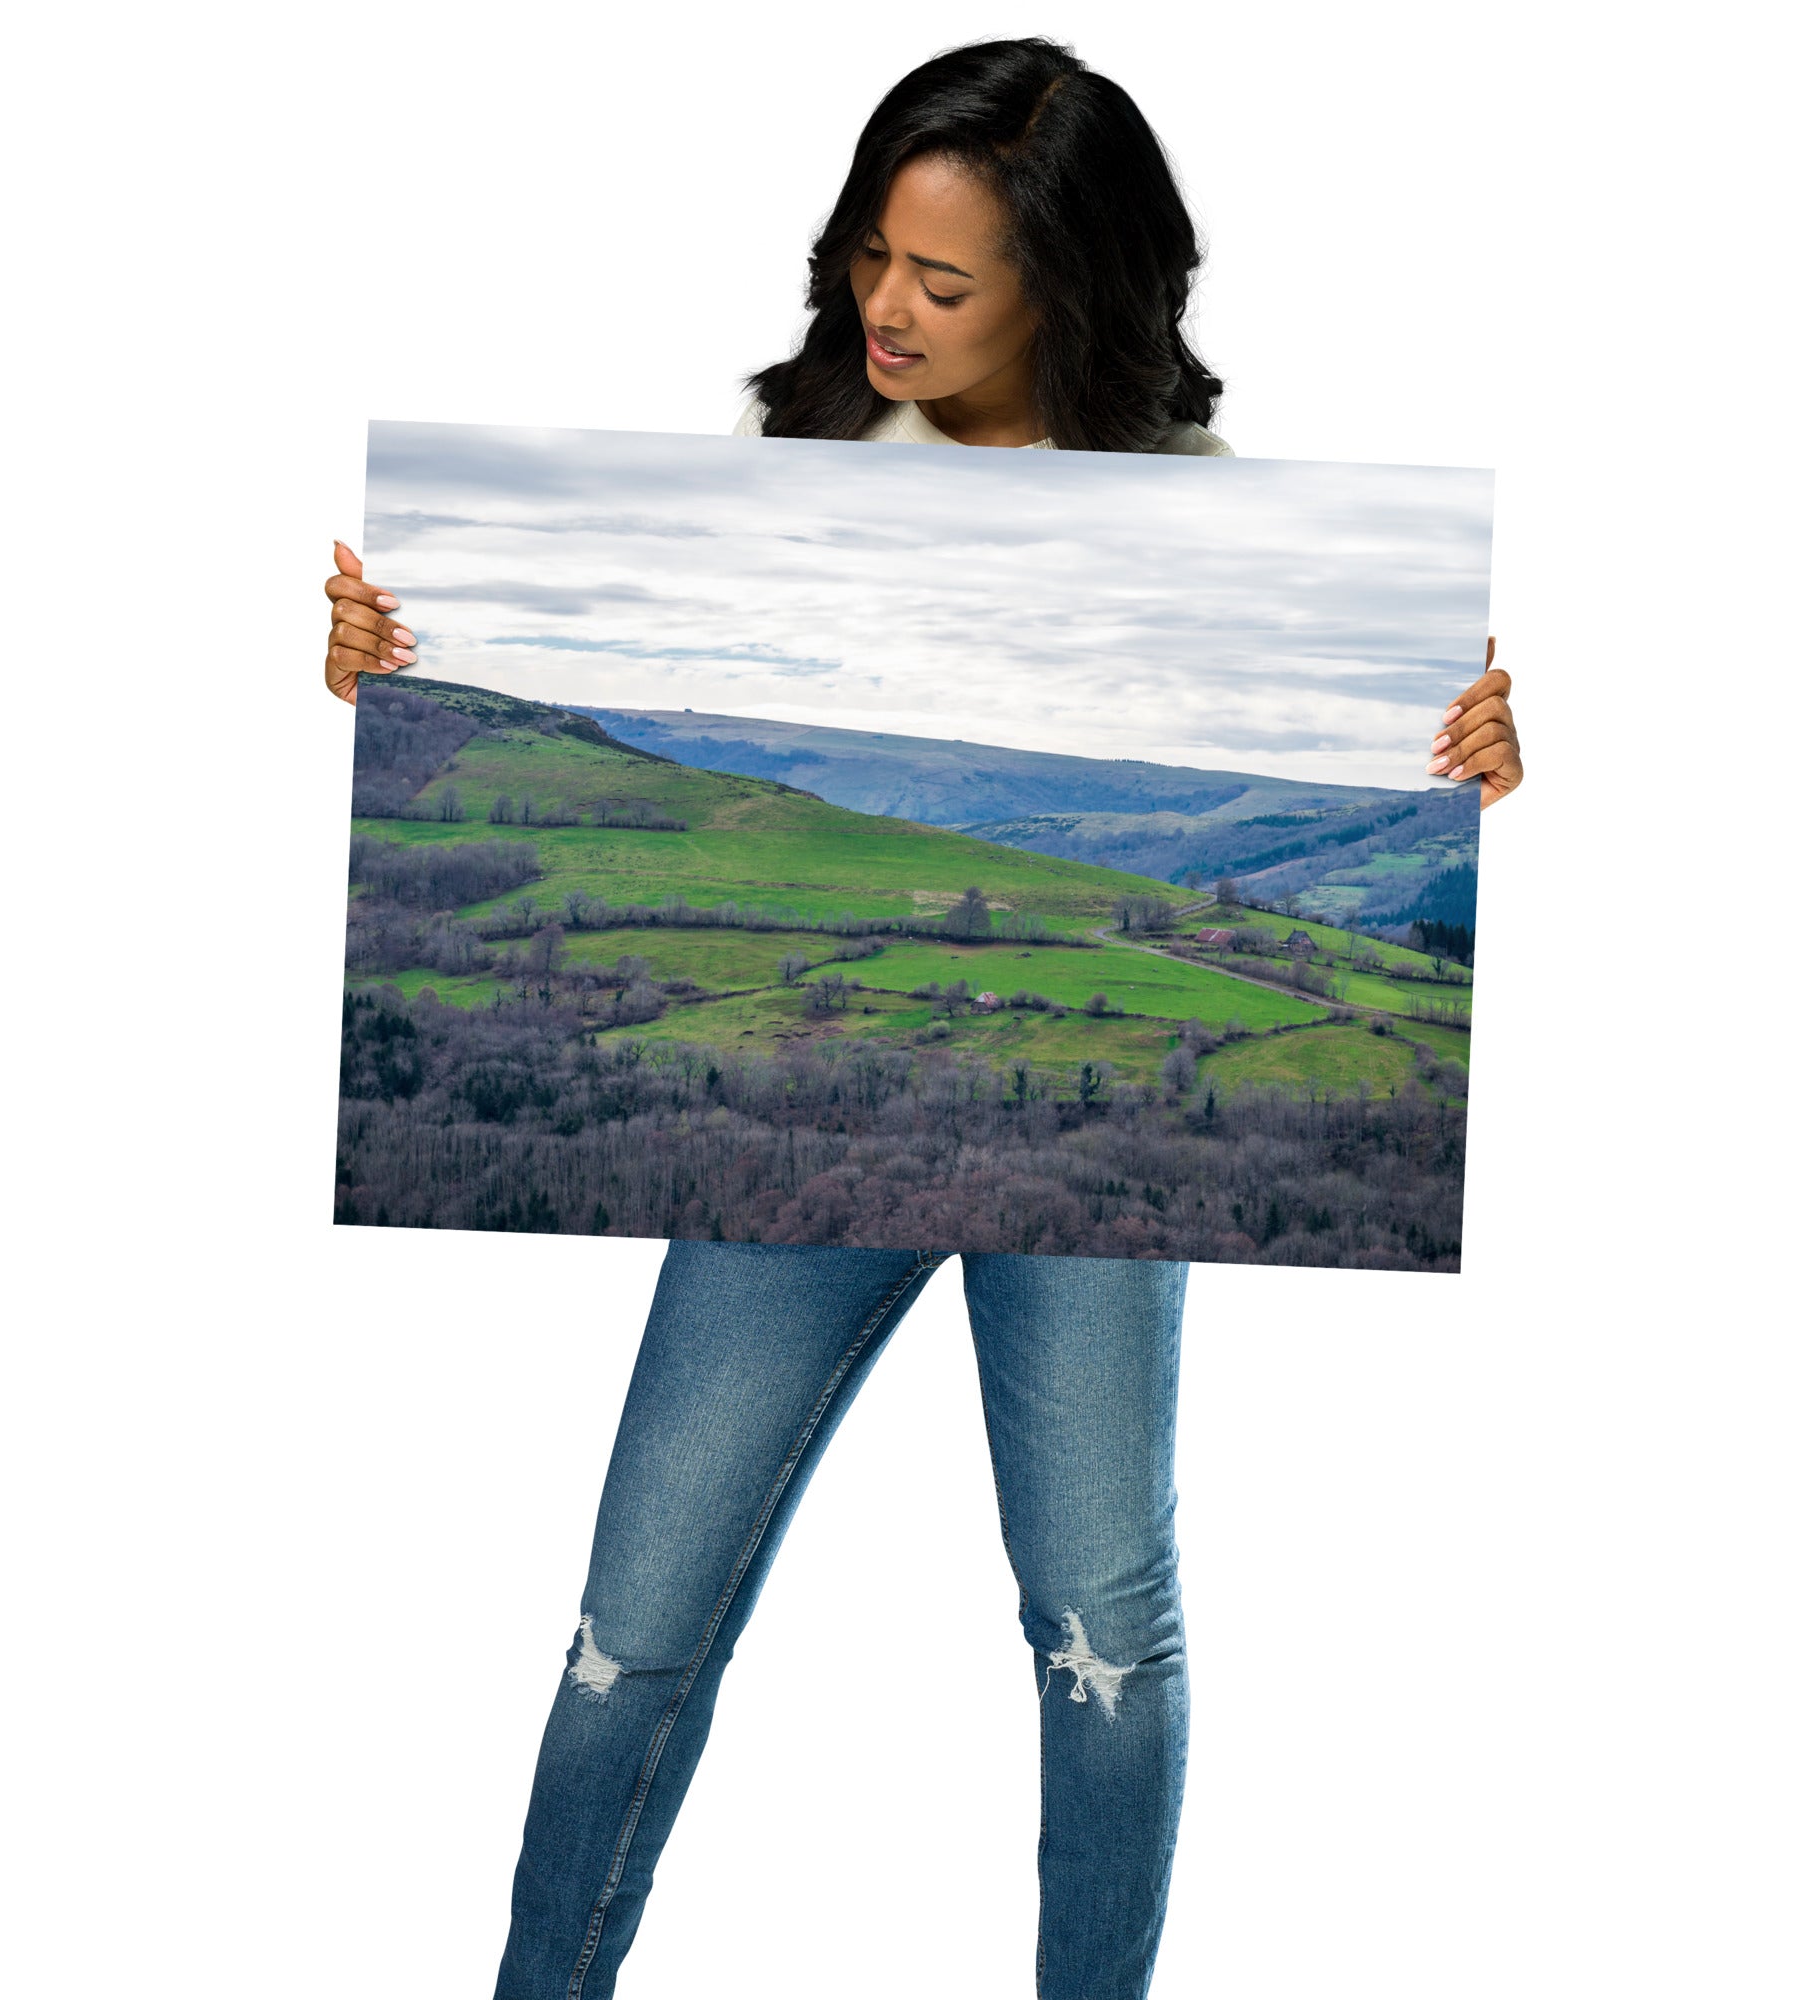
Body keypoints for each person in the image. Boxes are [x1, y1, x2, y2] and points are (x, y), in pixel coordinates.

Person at [320, 39, 1523, 2000]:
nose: (886, 306)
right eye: (874, 254)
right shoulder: (784, 471)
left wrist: (1460, 749)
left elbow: (1360, 783)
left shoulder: (1207, 521)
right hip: (815, 1111)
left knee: (1098, 1618)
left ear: (1070, 283)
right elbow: (577, 687)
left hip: (1095, 1121)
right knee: (635, 1610)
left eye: (943, 281)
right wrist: (396, 659)